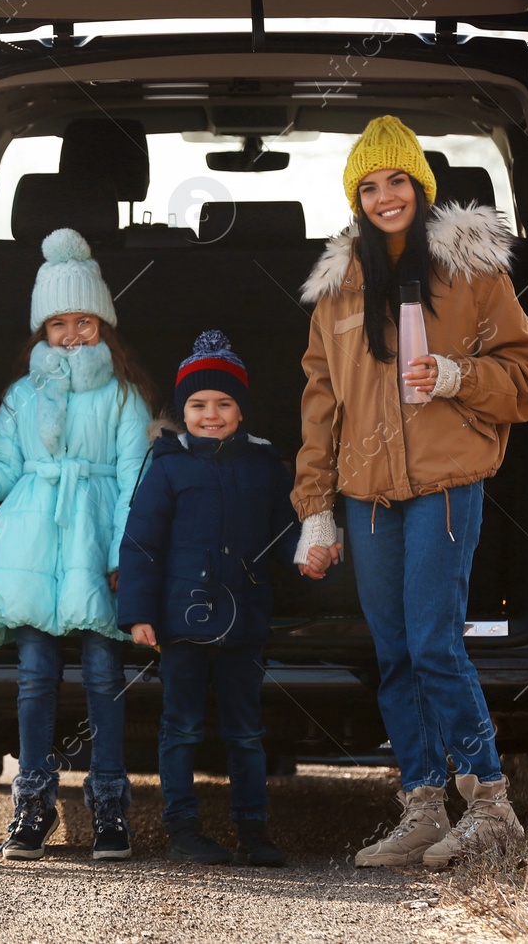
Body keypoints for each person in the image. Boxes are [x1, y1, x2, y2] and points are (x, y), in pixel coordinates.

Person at [291, 115, 528, 869]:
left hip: (442, 487)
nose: (384, 196)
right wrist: (315, 509)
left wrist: (458, 374)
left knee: (435, 641)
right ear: (355, 199)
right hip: (368, 498)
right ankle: (425, 804)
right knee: (396, 649)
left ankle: (492, 802)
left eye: (397, 180)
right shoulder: (337, 293)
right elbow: (320, 407)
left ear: (421, 185)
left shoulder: (470, 270)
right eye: (368, 186)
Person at [0, 227, 155, 861]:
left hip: (96, 546)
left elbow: (136, 479)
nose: (73, 334)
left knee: (105, 675)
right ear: (42, 331)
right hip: (31, 548)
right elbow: (2, 470)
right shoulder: (22, 397)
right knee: (34, 677)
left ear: (105, 325)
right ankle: (31, 804)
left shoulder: (124, 397)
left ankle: (109, 806)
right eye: (59, 323)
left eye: (86, 320)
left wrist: (123, 557)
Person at [117, 331, 303, 866]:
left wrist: (306, 554)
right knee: (181, 727)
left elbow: (283, 531)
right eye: (198, 405)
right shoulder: (168, 465)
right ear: (184, 411)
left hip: (244, 619)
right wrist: (137, 615)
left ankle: (254, 829)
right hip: (181, 622)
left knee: (246, 731)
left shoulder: (264, 466)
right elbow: (141, 543)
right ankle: (183, 827)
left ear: (241, 411)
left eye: (224, 403)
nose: (211, 414)